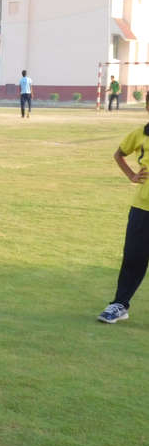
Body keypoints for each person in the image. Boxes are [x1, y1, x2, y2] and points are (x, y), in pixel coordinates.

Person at [97, 95, 149, 324]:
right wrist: (131, 175)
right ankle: (119, 305)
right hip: (142, 207)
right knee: (133, 258)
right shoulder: (140, 134)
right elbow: (119, 154)